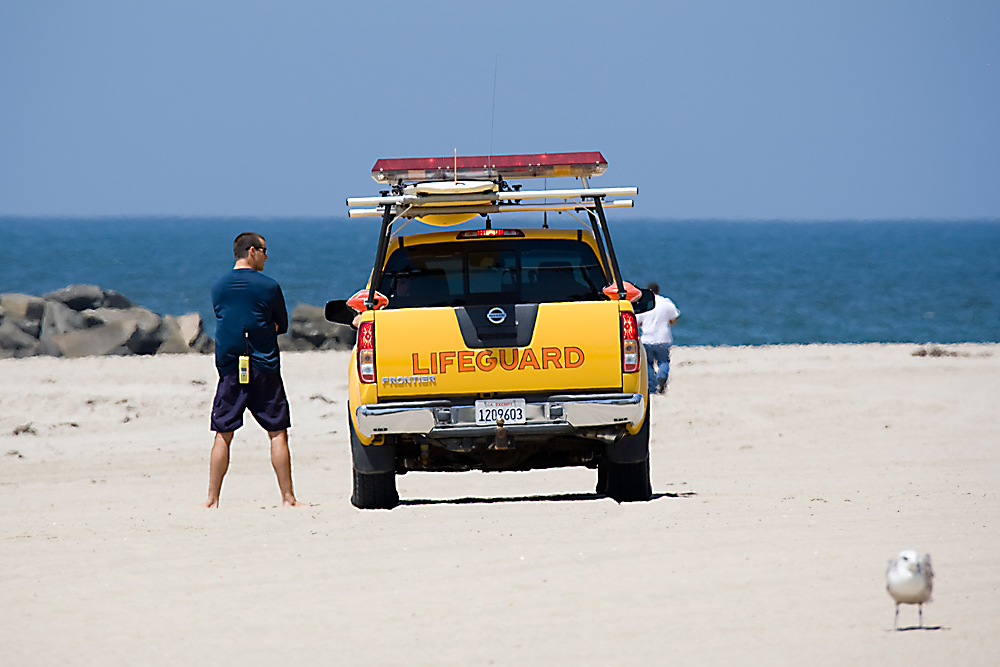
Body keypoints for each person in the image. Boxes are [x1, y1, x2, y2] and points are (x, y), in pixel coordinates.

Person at [203, 232, 304, 508]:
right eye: (264, 250)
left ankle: (212, 500)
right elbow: (280, 325)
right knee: (278, 432)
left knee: (223, 434)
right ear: (251, 251)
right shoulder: (269, 286)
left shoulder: (218, 287)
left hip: (231, 367)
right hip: (263, 366)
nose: (267, 256)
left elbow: (225, 318)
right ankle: (288, 498)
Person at [636, 282, 680, 395]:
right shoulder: (666, 302)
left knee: (648, 363)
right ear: (658, 290)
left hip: (647, 338)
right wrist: (669, 322)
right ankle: (661, 376)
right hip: (663, 337)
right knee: (663, 361)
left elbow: (638, 322)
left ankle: (651, 388)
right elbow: (674, 317)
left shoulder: (644, 303)